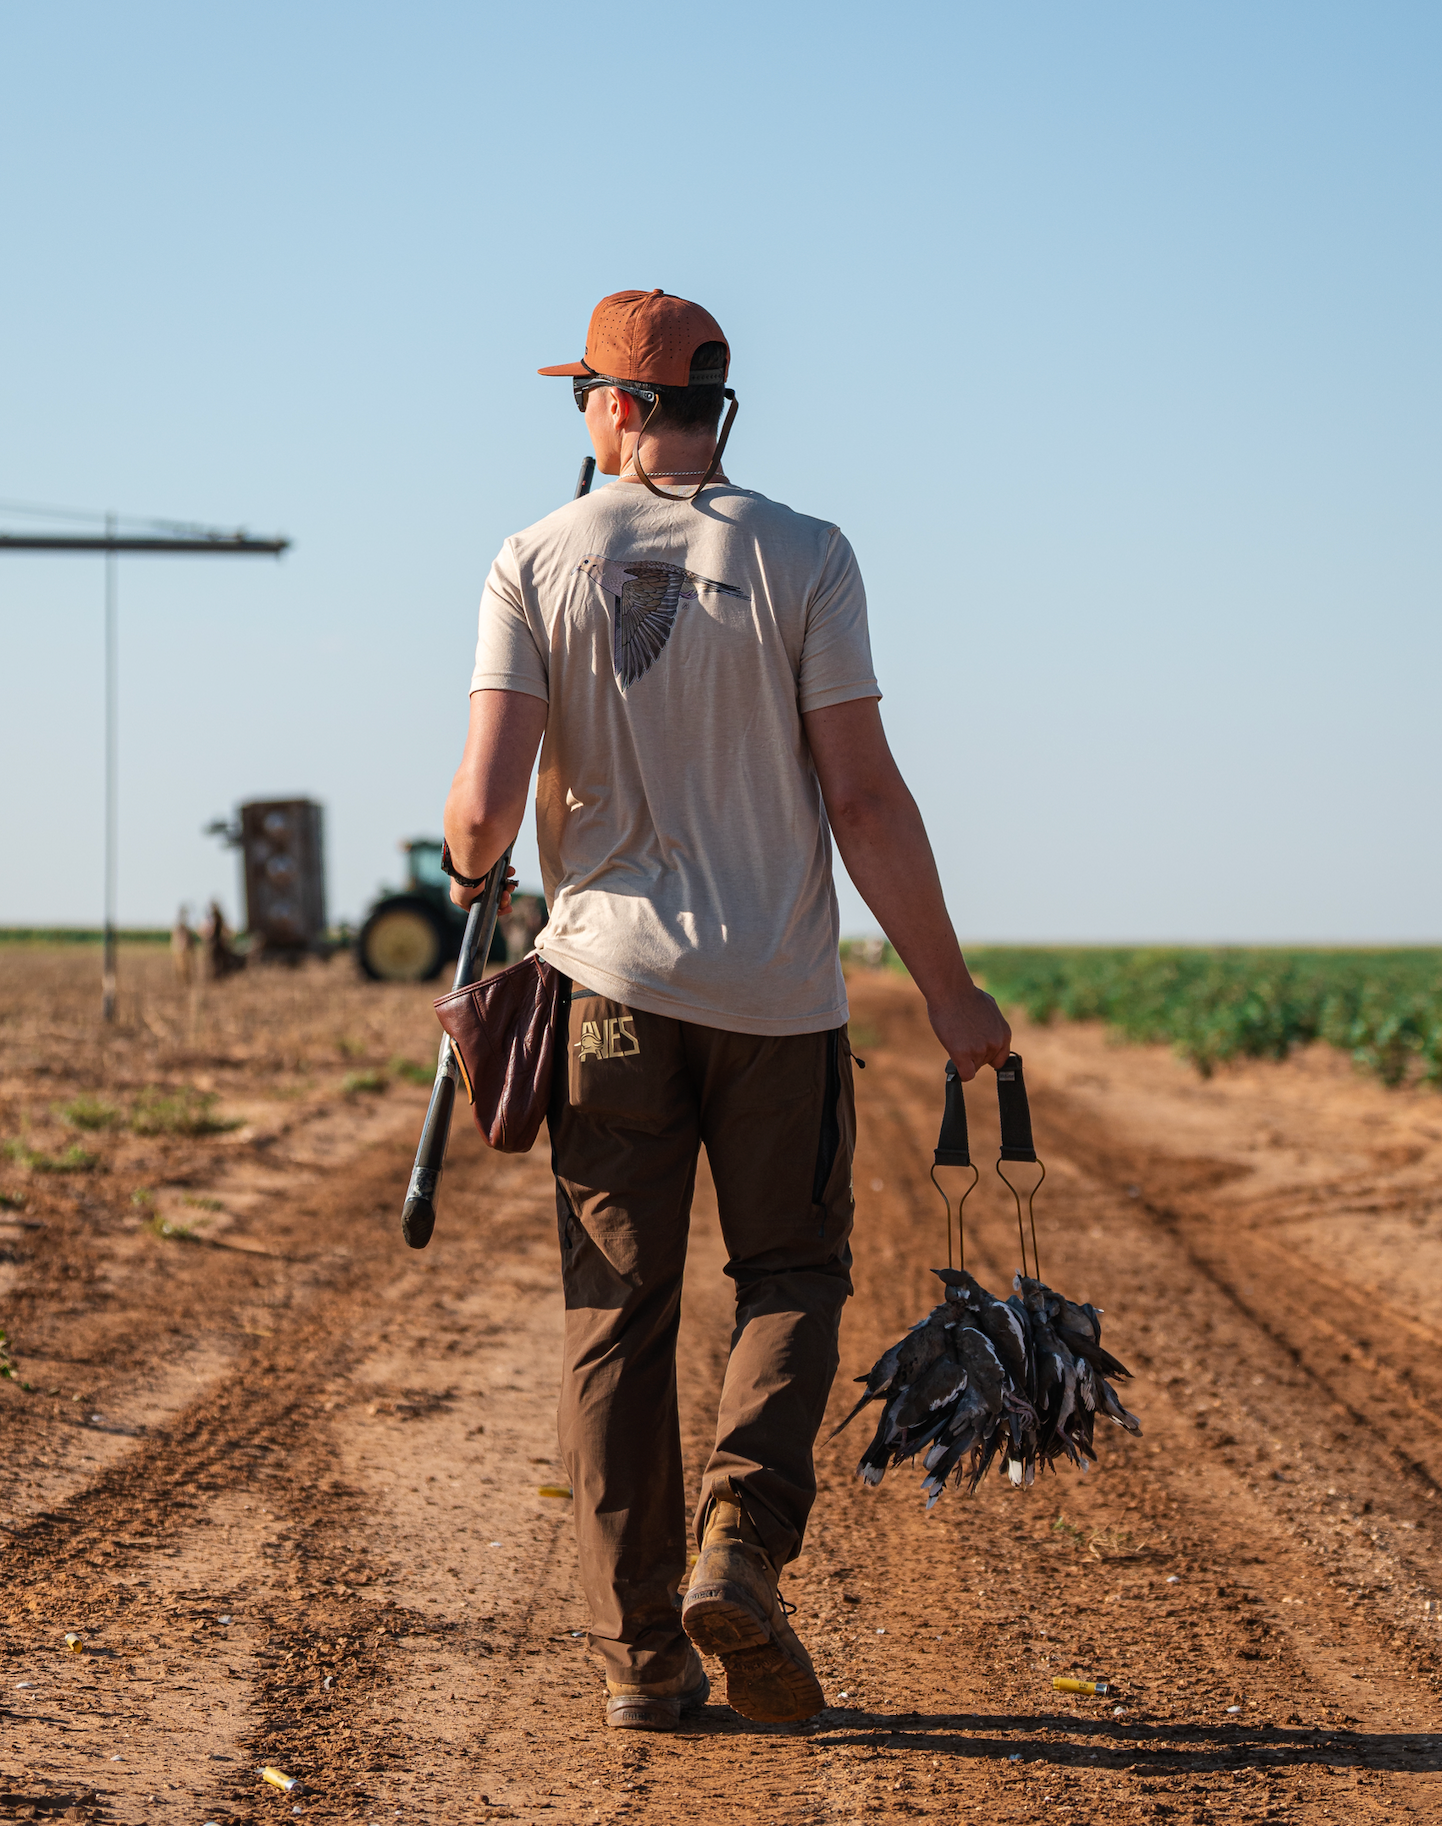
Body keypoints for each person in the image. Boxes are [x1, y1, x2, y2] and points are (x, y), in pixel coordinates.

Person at [443, 289, 1010, 1732]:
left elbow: (478, 814)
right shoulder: (807, 554)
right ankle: (739, 1542)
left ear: (616, 409)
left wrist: (471, 856)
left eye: (580, 390)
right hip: (775, 999)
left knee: (613, 1322)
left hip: (605, 1000)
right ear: (716, 406)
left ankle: (644, 1662)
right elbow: (864, 799)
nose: (578, 412)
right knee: (789, 1277)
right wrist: (952, 997)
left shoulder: (531, 555)